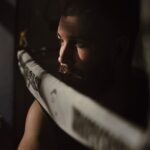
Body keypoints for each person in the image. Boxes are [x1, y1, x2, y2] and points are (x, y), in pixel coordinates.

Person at [18, 0, 148, 149]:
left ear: (119, 49)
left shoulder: (143, 104)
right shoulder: (47, 110)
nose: (62, 57)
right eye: (60, 40)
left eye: (80, 43)